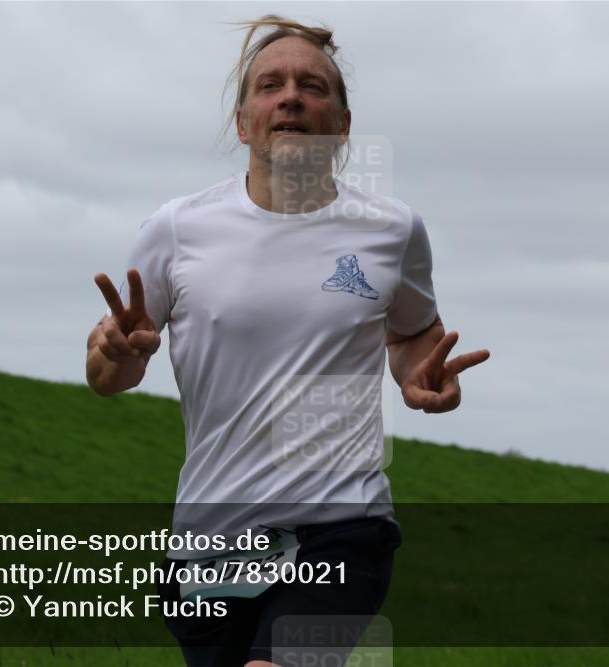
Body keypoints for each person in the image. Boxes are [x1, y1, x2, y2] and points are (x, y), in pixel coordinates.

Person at [86, 15, 490, 667]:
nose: (292, 96)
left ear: (344, 124)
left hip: (341, 525)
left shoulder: (392, 230)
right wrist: (116, 355)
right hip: (209, 540)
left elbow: (416, 332)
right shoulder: (178, 229)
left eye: (312, 86)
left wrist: (421, 374)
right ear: (245, 121)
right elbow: (107, 374)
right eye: (270, 85)